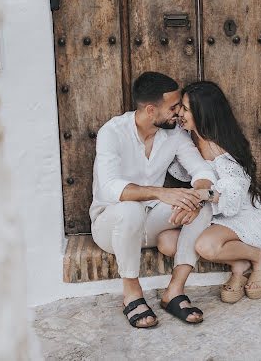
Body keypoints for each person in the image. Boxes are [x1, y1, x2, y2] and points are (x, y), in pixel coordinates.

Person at [90, 72, 216, 328]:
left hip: (151, 220)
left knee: (201, 206)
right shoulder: (112, 132)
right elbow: (112, 188)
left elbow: (202, 171)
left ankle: (174, 291)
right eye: (173, 107)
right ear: (150, 110)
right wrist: (160, 192)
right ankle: (132, 294)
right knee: (130, 209)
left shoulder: (174, 134)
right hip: (111, 227)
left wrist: (199, 196)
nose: (179, 112)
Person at [158, 81, 261, 303]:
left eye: (186, 109)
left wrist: (204, 195)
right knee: (166, 242)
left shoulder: (220, 149)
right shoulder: (187, 136)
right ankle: (237, 261)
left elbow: (233, 196)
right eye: (181, 106)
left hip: (239, 215)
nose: (180, 112)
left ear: (203, 114)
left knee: (204, 246)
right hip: (213, 216)